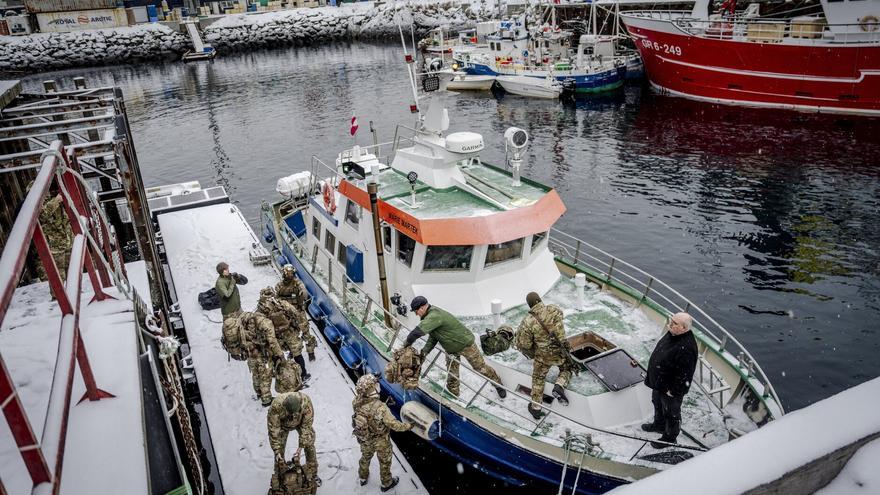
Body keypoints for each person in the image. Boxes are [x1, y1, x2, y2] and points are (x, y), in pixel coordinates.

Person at [404, 296, 506, 399]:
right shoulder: (430, 317)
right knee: (452, 376)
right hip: (451, 350)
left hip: (466, 345)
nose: (416, 314)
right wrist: (424, 352)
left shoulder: (434, 315)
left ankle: (498, 385)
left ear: (422, 308)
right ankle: (454, 397)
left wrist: (405, 346)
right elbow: (433, 337)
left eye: (416, 311)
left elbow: (416, 333)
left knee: (481, 368)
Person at [642, 312, 698, 448]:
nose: (670, 324)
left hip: (669, 389)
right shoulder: (673, 333)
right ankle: (659, 425)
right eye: (670, 320)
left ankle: (669, 438)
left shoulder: (687, 347)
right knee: (657, 403)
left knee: (671, 413)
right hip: (660, 383)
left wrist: (673, 390)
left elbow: (685, 374)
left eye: (674, 323)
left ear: (684, 328)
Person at [516, 292, 574, 420]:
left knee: (538, 378)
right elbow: (561, 316)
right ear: (539, 300)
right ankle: (559, 385)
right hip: (561, 350)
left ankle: (536, 408)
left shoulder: (528, 321)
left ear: (529, 305)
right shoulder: (553, 309)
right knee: (567, 368)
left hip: (543, 356)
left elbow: (525, 344)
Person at [352, 374, 413, 492]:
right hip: (381, 441)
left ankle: (362, 477)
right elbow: (396, 426)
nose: (378, 387)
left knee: (365, 458)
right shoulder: (382, 408)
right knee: (385, 462)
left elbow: (368, 412)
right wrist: (409, 426)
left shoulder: (356, 401)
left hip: (364, 438)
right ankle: (387, 483)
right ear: (371, 390)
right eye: (376, 385)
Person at [268, 392, 320, 493]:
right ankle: (280, 478)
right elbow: (274, 430)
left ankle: (312, 474)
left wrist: (301, 446)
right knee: (279, 454)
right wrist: (277, 450)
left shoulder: (306, 402)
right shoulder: (276, 407)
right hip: (283, 425)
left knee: (309, 443)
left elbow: (306, 426)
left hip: (301, 422)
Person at [257, 287, 310, 381]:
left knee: (275, 355)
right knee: (297, 353)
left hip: (275, 336)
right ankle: (303, 375)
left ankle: (279, 375)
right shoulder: (282, 304)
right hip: (289, 332)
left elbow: (260, 325)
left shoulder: (261, 310)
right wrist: (303, 330)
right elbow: (296, 314)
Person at [241, 311, 285, 406]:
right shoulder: (266, 323)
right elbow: (272, 342)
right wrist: (280, 355)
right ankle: (266, 399)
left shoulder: (246, 317)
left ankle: (258, 392)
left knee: (255, 373)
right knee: (265, 375)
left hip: (250, 352)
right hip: (262, 354)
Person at [276, 265, 317, 361]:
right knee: (290, 335)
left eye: (291, 274)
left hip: (298, 312)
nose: (290, 276)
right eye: (287, 274)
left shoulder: (297, 283)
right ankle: (292, 351)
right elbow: (276, 298)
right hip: (287, 314)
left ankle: (311, 352)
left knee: (306, 333)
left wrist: (303, 294)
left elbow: (304, 291)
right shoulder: (279, 286)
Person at [216, 262, 243, 344]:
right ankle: (232, 350)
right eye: (226, 269)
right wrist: (232, 283)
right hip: (229, 313)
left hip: (238, 309)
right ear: (222, 271)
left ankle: (242, 343)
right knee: (231, 333)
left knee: (242, 328)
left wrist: (238, 277)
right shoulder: (220, 283)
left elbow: (245, 281)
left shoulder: (229, 277)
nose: (228, 270)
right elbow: (227, 296)